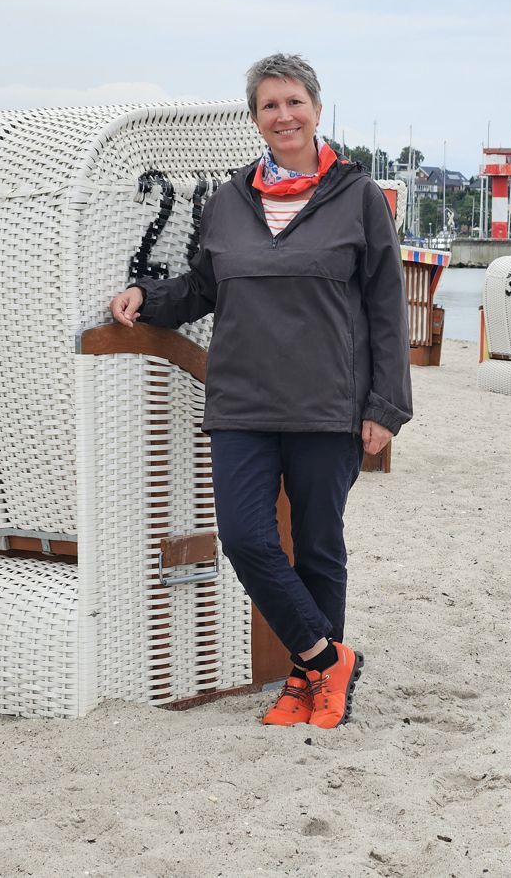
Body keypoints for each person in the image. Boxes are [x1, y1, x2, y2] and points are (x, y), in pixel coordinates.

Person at [108, 53, 410, 729]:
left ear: (317, 109)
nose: (284, 116)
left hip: (329, 402)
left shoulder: (358, 197)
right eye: (270, 106)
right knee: (245, 537)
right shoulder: (228, 202)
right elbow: (198, 289)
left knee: (318, 546)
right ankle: (328, 658)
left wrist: (385, 408)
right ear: (255, 119)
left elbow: (389, 307)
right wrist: (144, 295)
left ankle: (311, 687)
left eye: (294, 102)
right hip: (242, 401)